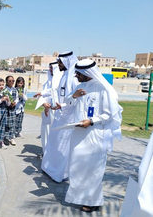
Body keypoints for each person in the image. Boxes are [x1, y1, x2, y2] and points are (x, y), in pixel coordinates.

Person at [61, 59, 123, 212]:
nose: (75, 75)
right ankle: (79, 197)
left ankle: (93, 201)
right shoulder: (80, 86)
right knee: (77, 166)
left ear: (86, 73)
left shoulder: (103, 89)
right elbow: (67, 104)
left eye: (78, 73)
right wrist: (73, 96)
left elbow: (110, 114)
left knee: (93, 168)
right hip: (78, 134)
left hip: (95, 135)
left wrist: (92, 121)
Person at [41, 51, 79, 182]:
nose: (58, 65)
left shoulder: (74, 77)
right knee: (54, 143)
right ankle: (50, 168)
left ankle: (61, 173)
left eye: (60, 62)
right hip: (59, 115)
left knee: (63, 146)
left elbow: (76, 98)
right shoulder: (64, 75)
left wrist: (62, 105)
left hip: (69, 118)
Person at [34, 62, 63, 155]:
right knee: (45, 132)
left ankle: (54, 154)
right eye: (50, 68)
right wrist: (44, 104)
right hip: (48, 111)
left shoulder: (61, 82)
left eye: (52, 68)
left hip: (58, 112)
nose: (50, 70)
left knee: (56, 134)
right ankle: (46, 153)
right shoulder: (48, 82)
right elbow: (43, 94)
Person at [4, 75, 18, 146]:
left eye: (13, 80)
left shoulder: (15, 90)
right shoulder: (5, 90)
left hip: (13, 108)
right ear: (7, 82)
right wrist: (9, 103)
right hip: (6, 108)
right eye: (10, 81)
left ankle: (12, 138)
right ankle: (6, 137)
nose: (11, 82)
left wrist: (15, 102)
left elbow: (17, 98)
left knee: (12, 123)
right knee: (6, 123)